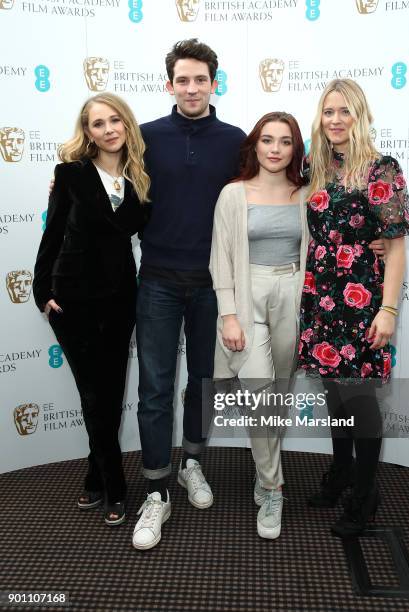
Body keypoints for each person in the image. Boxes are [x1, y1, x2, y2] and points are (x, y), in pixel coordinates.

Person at [132, 39, 246, 550]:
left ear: (213, 82)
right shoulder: (144, 136)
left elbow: (275, 187)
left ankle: (193, 465)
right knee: (155, 388)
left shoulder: (235, 139)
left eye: (201, 79)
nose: (192, 87)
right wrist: (62, 183)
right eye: (183, 79)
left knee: (203, 382)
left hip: (213, 284)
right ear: (169, 84)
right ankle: (156, 489)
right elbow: (100, 175)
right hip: (156, 278)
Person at [297, 79, 409, 537]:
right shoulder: (316, 165)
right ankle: (342, 474)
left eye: (344, 111)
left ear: (360, 115)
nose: (335, 119)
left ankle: (366, 494)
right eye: (328, 111)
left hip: (362, 301)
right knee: (335, 398)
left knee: (360, 401)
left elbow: (397, 248)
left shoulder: (382, 171)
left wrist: (388, 311)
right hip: (321, 297)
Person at [33, 93, 150, 526]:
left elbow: (131, 226)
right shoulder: (70, 175)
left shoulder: (142, 179)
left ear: (127, 125)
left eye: (115, 120)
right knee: (92, 393)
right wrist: (41, 289)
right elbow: (53, 232)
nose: (108, 129)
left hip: (120, 298)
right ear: (88, 132)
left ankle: (93, 475)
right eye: (98, 124)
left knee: (110, 391)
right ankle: (116, 484)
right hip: (72, 298)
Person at [210, 112, 310, 539]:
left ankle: (264, 471)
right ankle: (274, 487)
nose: (274, 148)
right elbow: (221, 257)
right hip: (248, 294)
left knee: (278, 393)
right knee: (258, 389)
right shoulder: (233, 194)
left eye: (284, 141)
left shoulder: (307, 194)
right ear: (254, 145)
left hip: (293, 291)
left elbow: (338, 237)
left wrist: (382, 242)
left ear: (294, 148)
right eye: (267, 140)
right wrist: (228, 313)